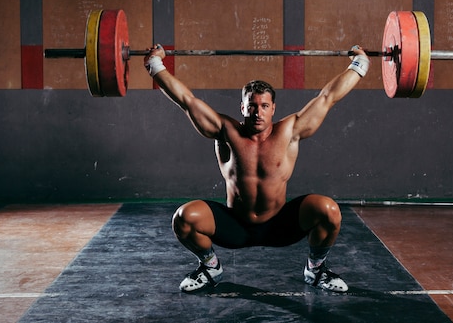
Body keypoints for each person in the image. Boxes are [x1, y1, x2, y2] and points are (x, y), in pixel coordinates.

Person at [144, 44, 370, 293]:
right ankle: (210, 267)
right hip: (235, 227)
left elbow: (328, 97)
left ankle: (315, 269)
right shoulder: (226, 130)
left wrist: (359, 64)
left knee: (329, 211)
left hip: (279, 225)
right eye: (251, 105)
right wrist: (156, 65)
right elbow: (186, 100)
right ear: (242, 108)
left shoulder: (289, 130)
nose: (257, 112)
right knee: (183, 218)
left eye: (264, 106)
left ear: (273, 108)